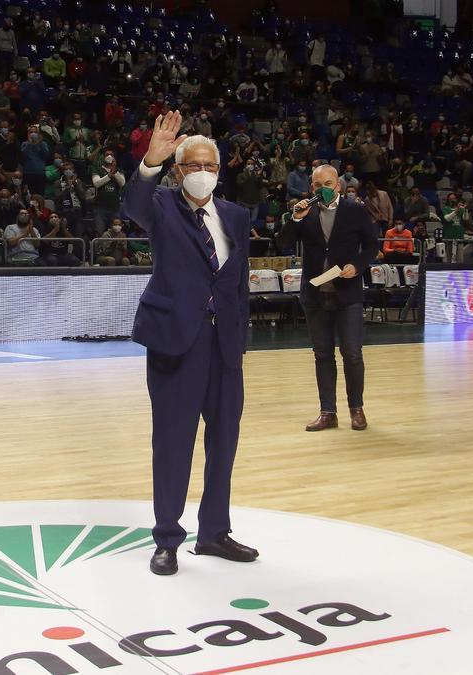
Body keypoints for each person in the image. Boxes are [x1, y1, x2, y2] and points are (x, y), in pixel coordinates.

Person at [121, 112, 255, 577]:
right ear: (179, 171)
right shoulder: (160, 204)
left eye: (211, 166)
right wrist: (149, 162)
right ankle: (167, 539)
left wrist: (241, 340)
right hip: (177, 343)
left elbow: (237, 284)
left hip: (225, 347)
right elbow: (133, 204)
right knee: (174, 444)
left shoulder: (235, 215)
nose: (203, 172)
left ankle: (215, 532)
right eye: (194, 164)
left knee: (224, 444)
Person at [276, 163, 378, 433]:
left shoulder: (356, 211)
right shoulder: (304, 212)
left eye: (328, 184)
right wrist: (295, 218)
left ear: (339, 185)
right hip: (315, 295)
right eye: (317, 185)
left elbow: (371, 246)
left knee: (352, 353)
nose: (322, 190)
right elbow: (282, 243)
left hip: (348, 295)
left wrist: (357, 265)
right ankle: (327, 412)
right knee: (322, 355)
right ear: (311, 187)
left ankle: (356, 409)